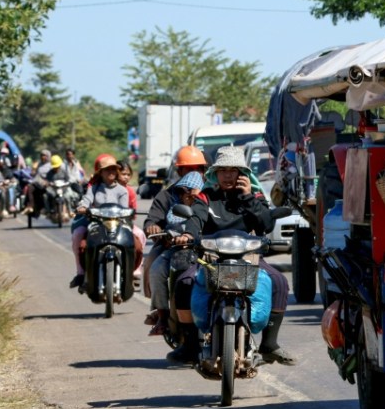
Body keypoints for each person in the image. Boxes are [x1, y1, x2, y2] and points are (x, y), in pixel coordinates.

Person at [165, 146, 295, 366]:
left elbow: (265, 224)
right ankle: (190, 344)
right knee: (184, 282)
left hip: (249, 257)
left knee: (280, 282)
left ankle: (269, 344)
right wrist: (188, 234)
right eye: (223, 170)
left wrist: (247, 198)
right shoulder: (206, 196)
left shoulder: (254, 196)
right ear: (215, 173)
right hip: (211, 257)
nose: (227, 175)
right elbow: (196, 218)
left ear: (241, 173)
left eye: (233, 170)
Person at [142, 145, 209, 330]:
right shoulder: (167, 195)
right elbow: (152, 219)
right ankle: (162, 315)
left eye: (197, 169)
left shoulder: (211, 194)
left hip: (208, 247)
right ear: (179, 171)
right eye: (188, 169)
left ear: (204, 171)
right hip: (174, 247)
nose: (193, 173)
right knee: (156, 269)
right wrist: (153, 227)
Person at [69, 155, 129, 291]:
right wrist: (82, 207)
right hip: (96, 224)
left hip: (117, 225)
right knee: (78, 234)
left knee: (132, 242)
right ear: (100, 173)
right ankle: (81, 273)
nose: (111, 172)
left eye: (113, 169)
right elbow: (86, 200)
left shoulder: (122, 190)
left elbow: (124, 209)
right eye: (107, 170)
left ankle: (130, 274)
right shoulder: (94, 188)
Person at [116, 160, 146, 285]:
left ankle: (136, 270)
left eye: (128, 174)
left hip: (125, 224)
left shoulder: (130, 191)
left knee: (140, 235)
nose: (126, 177)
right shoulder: (106, 188)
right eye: (123, 174)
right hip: (107, 224)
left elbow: (133, 212)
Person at [24, 149, 53, 216]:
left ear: (48, 156)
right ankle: (30, 206)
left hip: (47, 184)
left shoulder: (51, 165)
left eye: (44, 155)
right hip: (38, 183)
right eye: (42, 155)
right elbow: (35, 173)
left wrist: (47, 181)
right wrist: (33, 172)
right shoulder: (39, 164)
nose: (43, 157)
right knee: (30, 188)